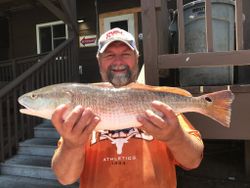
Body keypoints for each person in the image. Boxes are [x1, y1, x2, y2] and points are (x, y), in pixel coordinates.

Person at [51, 27, 204, 188]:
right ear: (99, 61)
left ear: (137, 58)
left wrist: (175, 136)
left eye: (125, 54)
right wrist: (71, 145)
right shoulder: (82, 107)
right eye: (109, 55)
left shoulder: (157, 101)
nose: (118, 62)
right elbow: (65, 178)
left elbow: (193, 161)